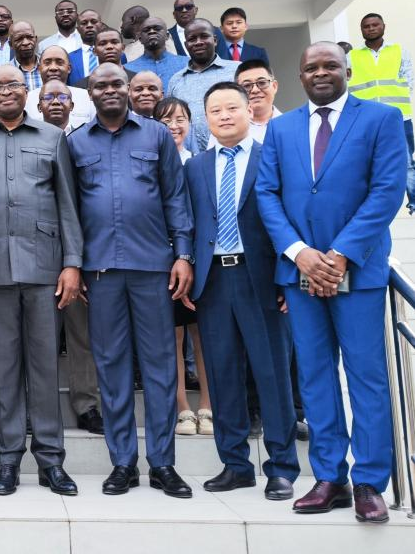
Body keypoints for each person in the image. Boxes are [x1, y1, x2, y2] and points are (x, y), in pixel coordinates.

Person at [257, 41, 407, 524]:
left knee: (366, 377)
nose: (320, 73)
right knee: (315, 376)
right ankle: (329, 477)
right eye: (311, 68)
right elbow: (267, 193)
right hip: (300, 272)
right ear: (299, 76)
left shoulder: (381, 119)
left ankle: (370, 482)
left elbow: (387, 190)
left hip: (357, 272)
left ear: (347, 70)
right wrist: (299, 253)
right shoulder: (280, 129)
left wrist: (340, 254)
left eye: (330, 65)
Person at [67, 63, 194, 499]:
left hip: (153, 267)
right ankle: (122, 462)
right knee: (111, 365)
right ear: (90, 93)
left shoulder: (156, 135)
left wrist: (183, 255)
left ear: (128, 88)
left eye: (116, 83)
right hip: (100, 270)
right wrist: (74, 263)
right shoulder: (76, 142)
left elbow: (175, 197)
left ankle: (163, 464)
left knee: (159, 365)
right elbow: (69, 209)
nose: (109, 90)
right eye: (100, 85)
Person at [0, 65, 82, 497]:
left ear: (26, 92)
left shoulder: (52, 137)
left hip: (46, 269)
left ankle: (51, 461)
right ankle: (8, 459)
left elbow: (68, 204)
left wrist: (72, 263)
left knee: (45, 367)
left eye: (13, 84)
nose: (6, 91)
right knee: (4, 368)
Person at [185, 82, 298, 500]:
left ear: (249, 110)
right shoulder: (195, 167)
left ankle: (282, 467)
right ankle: (235, 465)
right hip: (213, 280)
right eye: (215, 111)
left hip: (261, 278)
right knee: (222, 374)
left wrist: (287, 276)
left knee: (272, 374)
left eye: (232, 107)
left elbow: (291, 217)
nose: (225, 116)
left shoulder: (274, 157)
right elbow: (188, 223)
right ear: (207, 119)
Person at [35, 79, 104, 435]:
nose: (56, 102)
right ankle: (38, 409)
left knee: (82, 335)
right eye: (48, 97)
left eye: (63, 96)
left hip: (80, 255)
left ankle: (87, 405)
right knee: (39, 338)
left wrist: (80, 259)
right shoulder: (30, 140)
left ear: (73, 104)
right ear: (39, 106)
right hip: (37, 255)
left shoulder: (84, 142)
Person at [152, 97, 212, 436]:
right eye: (165, 121)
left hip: (200, 259)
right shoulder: (152, 162)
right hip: (165, 260)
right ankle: (182, 408)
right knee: (172, 336)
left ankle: (208, 404)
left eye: (180, 119)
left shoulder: (200, 162)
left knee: (202, 333)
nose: (173, 126)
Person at [347, 13, 415, 212]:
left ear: (383, 26)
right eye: (366, 26)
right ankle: (370, 202)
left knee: (406, 162)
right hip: (367, 119)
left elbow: (409, 79)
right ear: (361, 30)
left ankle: (413, 200)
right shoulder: (352, 56)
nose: (371, 28)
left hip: (399, 116)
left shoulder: (399, 51)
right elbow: (347, 84)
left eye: (375, 25)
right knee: (366, 161)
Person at [168, 18, 240, 151]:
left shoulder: (237, 70)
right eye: (192, 39)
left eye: (204, 36)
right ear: (186, 45)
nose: (198, 42)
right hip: (191, 157)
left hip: (233, 151)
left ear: (215, 40)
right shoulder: (176, 80)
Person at [24, 46, 95, 130]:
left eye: (59, 62)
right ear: (39, 69)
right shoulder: (27, 100)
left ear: (69, 68)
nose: (53, 68)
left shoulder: (86, 97)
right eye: (47, 63)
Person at [125, 16, 188, 87]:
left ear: (167, 36)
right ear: (140, 39)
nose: (152, 31)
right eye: (146, 30)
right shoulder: (128, 68)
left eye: (157, 28)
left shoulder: (186, 64)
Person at [68, 9, 103, 83]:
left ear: (101, 25)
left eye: (94, 22)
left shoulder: (118, 55)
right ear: (78, 29)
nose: (89, 25)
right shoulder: (69, 58)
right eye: (84, 23)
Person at [10, 21, 41, 89]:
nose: (26, 43)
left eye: (30, 37)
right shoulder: (5, 72)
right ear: (10, 44)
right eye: (19, 39)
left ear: (36, 39)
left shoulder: (49, 67)